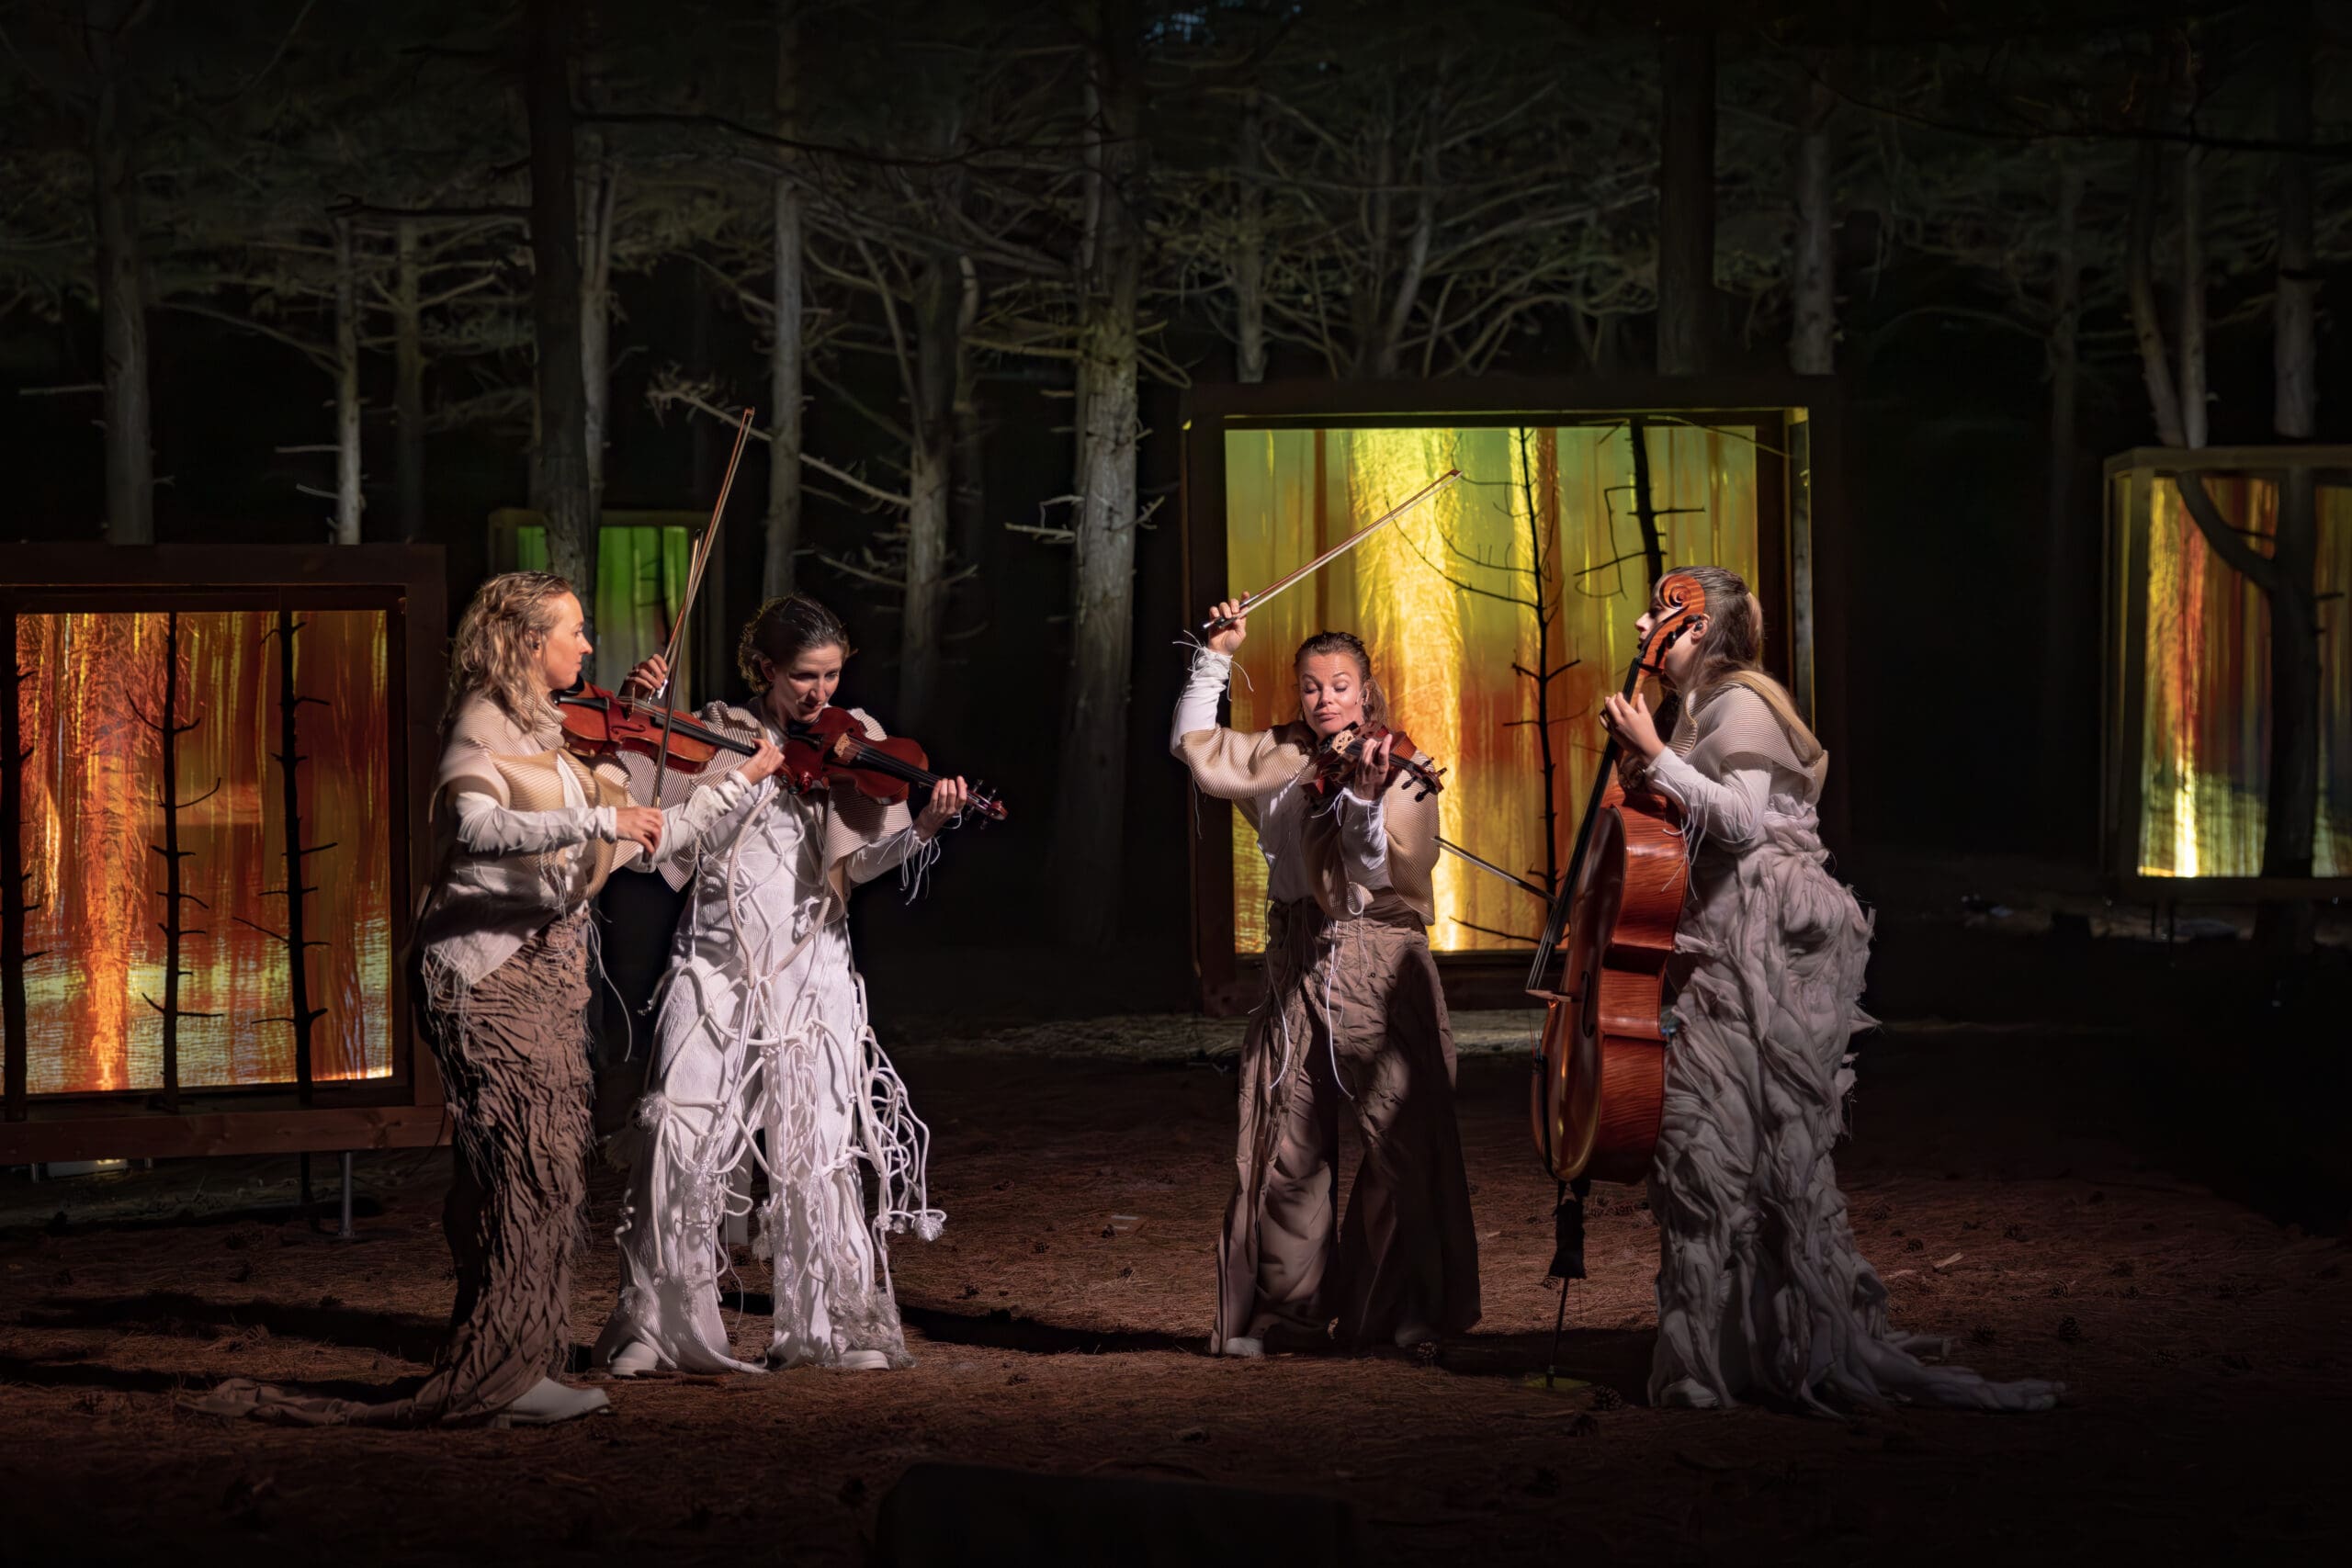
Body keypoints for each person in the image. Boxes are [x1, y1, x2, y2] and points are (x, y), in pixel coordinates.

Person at [200, 570, 778, 1427]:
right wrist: (598, 821)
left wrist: (738, 780)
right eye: (574, 631)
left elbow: (658, 833)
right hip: (484, 974)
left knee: (534, 1177)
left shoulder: (551, 724)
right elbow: (474, 823)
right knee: (525, 1174)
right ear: (523, 641)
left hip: (544, 970)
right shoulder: (481, 715)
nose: (588, 646)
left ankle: (514, 1359)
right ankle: (502, 1374)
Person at [1599, 564, 2062, 1413]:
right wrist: (1648, 763)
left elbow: (1737, 822)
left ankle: (1778, 1346)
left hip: (1763, 960)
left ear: (1700, 632)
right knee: (1703, 1150)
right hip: (1714, 957)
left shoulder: (1742, 703)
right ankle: (1710, 1358)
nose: (1642, 627)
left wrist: (1658, 757)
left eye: (1664, 615)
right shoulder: (1696, 709)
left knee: (1765, 1151)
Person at [594, 593, 962, 1376]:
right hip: (714, 962)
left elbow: (859, 864)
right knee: (677, 1132)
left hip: (812, 966)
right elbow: (636, 811)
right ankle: (654, 1329)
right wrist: (637, 712)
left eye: (831, 675)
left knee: (817, 1144)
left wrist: (923, 828)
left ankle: (828, 1328)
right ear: (765, 668)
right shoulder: (718, 732)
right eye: (803, 676)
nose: (820, 693)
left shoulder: (853, 740)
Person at [1171, 604, 1480, 1358]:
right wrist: (1215, 658)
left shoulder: (1397, 766)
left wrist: (1366, 805)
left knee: (1400, 1137)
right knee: (1287, 1138)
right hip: (1295, 956)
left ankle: (1400, 1308)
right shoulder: (1279, 756)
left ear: (1367, 691)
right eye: (1311, 687)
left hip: (1375, 953)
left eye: (1341, 684)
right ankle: (1292, 1313)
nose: (1325, 699)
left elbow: (1375, 873)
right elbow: (1193, 746)